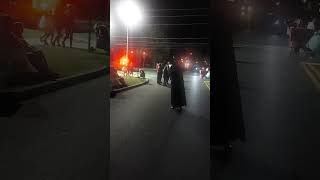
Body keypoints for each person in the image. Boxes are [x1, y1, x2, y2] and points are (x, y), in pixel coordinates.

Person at [211, 0, 246, 151]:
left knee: (221, 97)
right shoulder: (224, 8)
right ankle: (225, 138)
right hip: (223, 58)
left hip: (221, 57)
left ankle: (221, 138)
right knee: (225, 96)